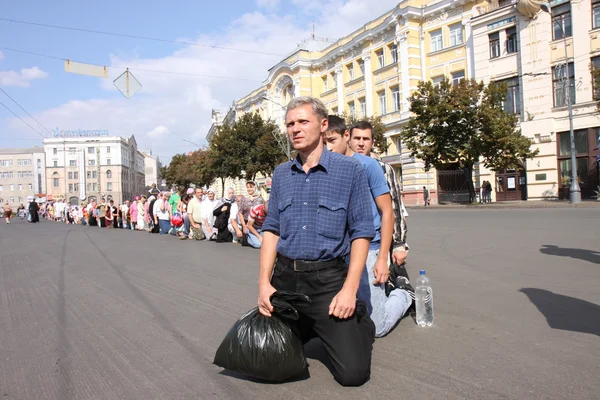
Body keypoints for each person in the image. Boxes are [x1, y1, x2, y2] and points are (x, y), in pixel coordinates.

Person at [258, 97, 376, 386]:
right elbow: (272, 229)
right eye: (290, 124)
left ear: (323, 125)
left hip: (328, 282)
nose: (295, 129)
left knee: (352, 375)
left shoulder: (350, 171)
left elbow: (362, 231)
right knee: (269, 363)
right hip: (286, 280)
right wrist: (263, 283)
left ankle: (359, 321)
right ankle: (308, 326)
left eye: (302, 122)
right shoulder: (281, 174)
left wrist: (349, 290)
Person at [326, 115, 412, 337]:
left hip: (370, 248)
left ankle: (404, 294)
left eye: (331, 140)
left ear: (345, 137)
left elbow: (388, 212)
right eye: (324, 141)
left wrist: (383, 258)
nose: (328, 147)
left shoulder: (370, 166)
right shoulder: (325, 167)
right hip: (339, 250)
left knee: (377, 327)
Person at [349, 120, 413, 299]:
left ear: (372, 142)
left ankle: (403, 297)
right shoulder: (344, 166)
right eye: (357, 138)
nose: (361, 143)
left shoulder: (384, 169)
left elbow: (395, 209)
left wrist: (399, 244)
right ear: (349, 139)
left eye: (366, 139)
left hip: (378, 239)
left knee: (379, 285)